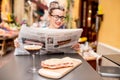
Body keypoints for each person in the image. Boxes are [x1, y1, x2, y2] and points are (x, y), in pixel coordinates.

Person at [14, 1, 80, 55]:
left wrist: (75, 48)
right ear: (49, 16)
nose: (59, 20)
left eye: (62, 18)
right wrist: (19, 44)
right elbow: (30, 48)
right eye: (56, 17)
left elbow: (70, 53)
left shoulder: (67, 34)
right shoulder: (41, 31)